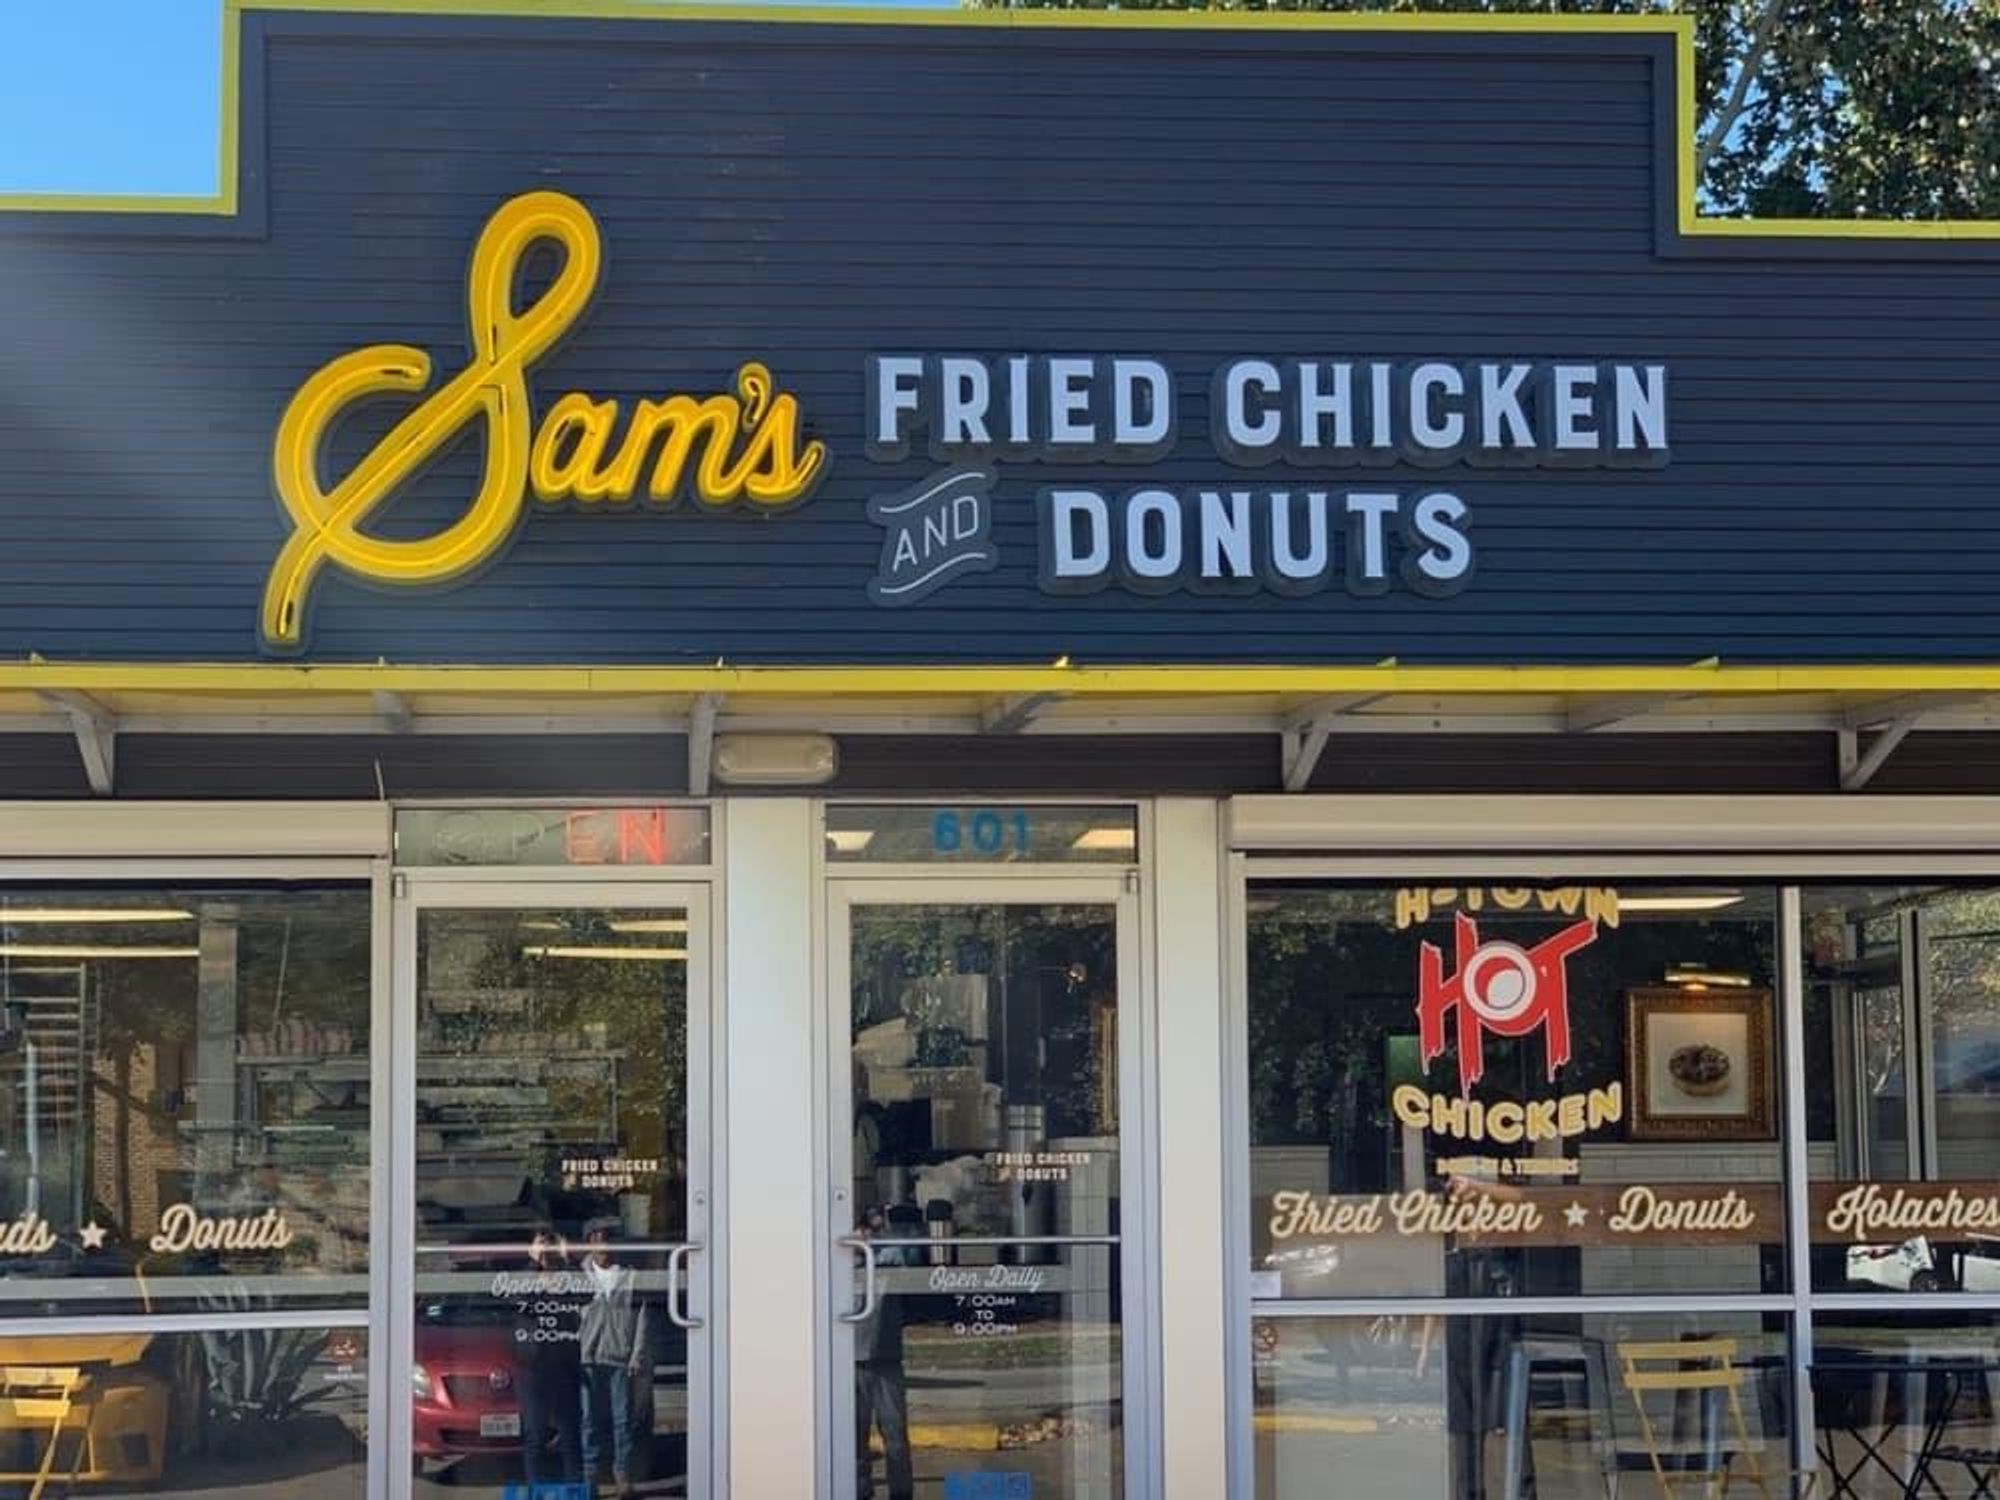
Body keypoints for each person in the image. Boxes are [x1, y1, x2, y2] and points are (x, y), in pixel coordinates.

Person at [578, 1218, 650, 1499]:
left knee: (623, 1420)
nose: (602, 1244)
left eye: (606, 1237)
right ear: (588, 1243)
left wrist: (637, 1354)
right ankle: (590, 1478)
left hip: (621, 1357)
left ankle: (623, 1475)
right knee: (589, 1421)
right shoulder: (578, 1275)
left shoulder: (631, 1275)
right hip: (588, 1359)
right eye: (596, 1238)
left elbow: (643, 1316)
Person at [514, 1227, 585, 1491]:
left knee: (570, 1434)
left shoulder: (566, 1274)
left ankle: (574, 1491)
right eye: (541, 1243)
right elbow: (518, 1298)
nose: (547, 1248)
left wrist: (566, 1257)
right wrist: (534, 1262)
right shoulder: (525, 1275)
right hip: (532, 1367)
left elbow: (586, 1295)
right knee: (535, 1433)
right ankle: (536, 1491)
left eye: (550, 1243)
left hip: (565, 1364)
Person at [854, 1205, 915, 1500]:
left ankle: (901, 1493)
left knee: (895, 1434)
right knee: (855, 1436)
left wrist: (878, 1244)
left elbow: (904, 1258)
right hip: (851, 1360)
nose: (871, 1236)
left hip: (886, 1357)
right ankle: (859, 1490)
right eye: (869, 1229)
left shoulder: (891, 1256)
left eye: (878, 1230)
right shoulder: (844, 1260)